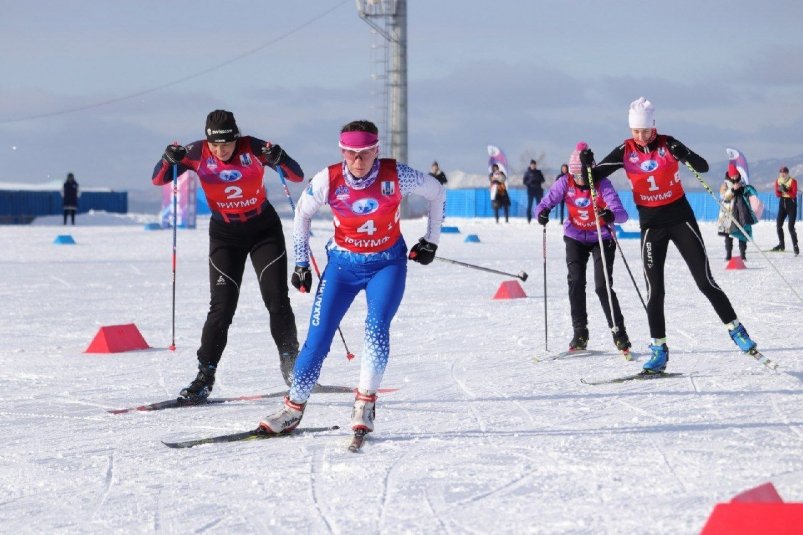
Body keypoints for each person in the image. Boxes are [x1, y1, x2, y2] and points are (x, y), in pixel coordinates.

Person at [258, 119, 445, 436]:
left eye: (365, 153)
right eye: (351, 153)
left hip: (387, 265)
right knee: (318, 338)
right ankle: (292, 409)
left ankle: (365, 403)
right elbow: (301, 214)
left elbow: (437, 192)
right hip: (343, 266)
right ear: (342, 151)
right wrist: (301, 262)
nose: (358, 161)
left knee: (375, 326)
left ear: (376, 150)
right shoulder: (328, 179)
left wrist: (431, 240)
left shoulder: (396, 174)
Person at [587, 97, 759, 374]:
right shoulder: (625, 150)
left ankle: (737, 331)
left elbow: (702, 166)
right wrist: (586, 165)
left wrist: (684, 153)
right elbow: (592, 177)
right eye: (635, 131)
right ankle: (659, 350)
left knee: (705, 281)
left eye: (644, 130)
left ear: (653, 126)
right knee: (655, 291)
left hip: (680, 219)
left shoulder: (668, 143)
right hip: (651, 226)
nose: (640, 136)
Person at [151, 109, 304, 400]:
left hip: (263, 230)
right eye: (215, 145)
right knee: (221, 307)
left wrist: (280, 157)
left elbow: (295, 176)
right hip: (225, 234)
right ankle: (204, 375)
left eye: (226, 144)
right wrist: (166, 159)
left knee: (276, 298)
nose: (220, 151)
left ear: (236, 138)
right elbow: (159, 179)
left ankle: (292, 364)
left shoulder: (254, 148)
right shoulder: (195, 152)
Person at [535, 143, 631, 353]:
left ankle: (619, 333)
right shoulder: (565, 182)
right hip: (575, 237)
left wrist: (610, 216)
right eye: (575, 175)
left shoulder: (602, 184)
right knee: (576, 282)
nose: (579, 180)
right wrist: (542, 212)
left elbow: (622, 214)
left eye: (583, 176)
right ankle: (580, 334)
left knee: (601, 285)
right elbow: (545, 203)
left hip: (601, 237)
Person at [718, 163, 758, 261]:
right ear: (729, 175)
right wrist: (732, 189)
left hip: (741, 212)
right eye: (732, 175)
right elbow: (723, 197)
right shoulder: (725, 185)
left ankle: (743, 255)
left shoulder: (742, 182)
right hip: (728, 212)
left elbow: (748, 193)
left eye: (736, 175)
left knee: (743, 232)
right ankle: (728, 255)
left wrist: (745, 189)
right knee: (728, 234)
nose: (734, 177)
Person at [771, 166, 798, 255]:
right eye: (781, 173)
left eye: (785, 173)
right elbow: (777, 194)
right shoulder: (778, 181)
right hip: (782, 203)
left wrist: (786, 190)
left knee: (790, 227)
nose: (783, 174)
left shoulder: (793, 181)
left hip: (791, 204)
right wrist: (780, 190)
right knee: (778, 225)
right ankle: (781, 245)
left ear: (787, 173)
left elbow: (793, 195)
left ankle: (795, 245)